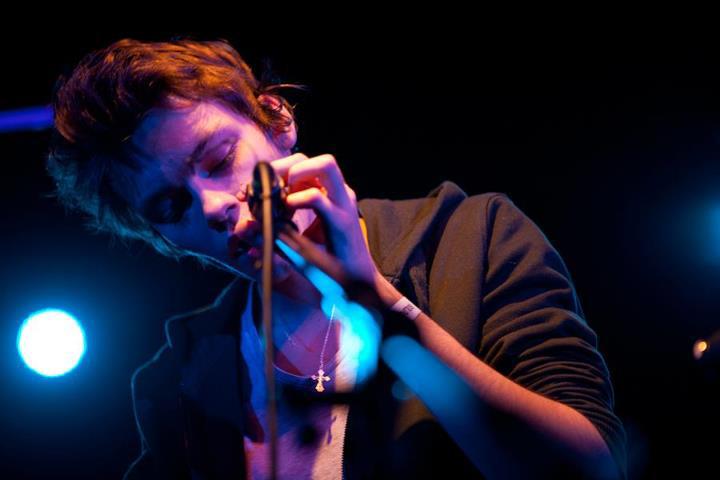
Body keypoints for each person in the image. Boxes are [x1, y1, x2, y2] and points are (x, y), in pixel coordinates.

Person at [46, 38, 627, 479]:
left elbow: (591, 467)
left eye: (219, 160)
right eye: (172, 206)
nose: (214, 206)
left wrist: (374, 296)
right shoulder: (175, 382)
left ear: (277, 120)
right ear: (162, 238)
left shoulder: (470, 237)